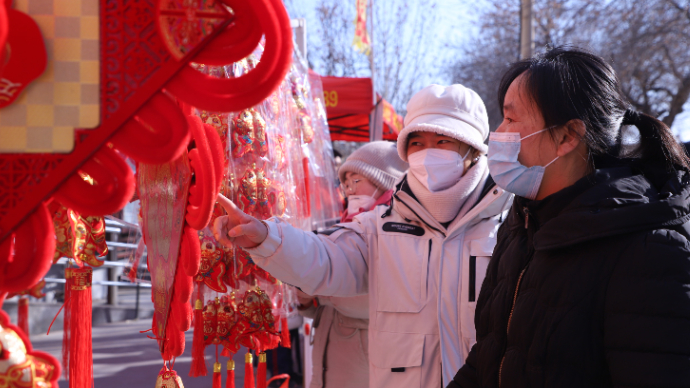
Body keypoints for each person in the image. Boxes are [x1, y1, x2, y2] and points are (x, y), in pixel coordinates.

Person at [214, 84, 513, 388]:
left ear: (472, 148)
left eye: (442, 141)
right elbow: (327, 259)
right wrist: (266, 236)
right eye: (417, 143)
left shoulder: (512, 221)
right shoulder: (380, 226)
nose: (427, 153)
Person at [449, 46, 690, 388]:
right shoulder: (521, 224)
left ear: (567, 136)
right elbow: (490, 356)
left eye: (511, 118)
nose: (497, 132)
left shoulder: (649, 248)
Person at [297, 141, 408, 388]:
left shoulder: (397, 230)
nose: (348, 189)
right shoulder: (346, 225)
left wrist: (318, 288)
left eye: (356, 181)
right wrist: (307, 302)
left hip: (365, 364)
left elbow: (372, 298)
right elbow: (330, 304)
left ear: (383, 182)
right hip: (332, 361)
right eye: (345, 182)